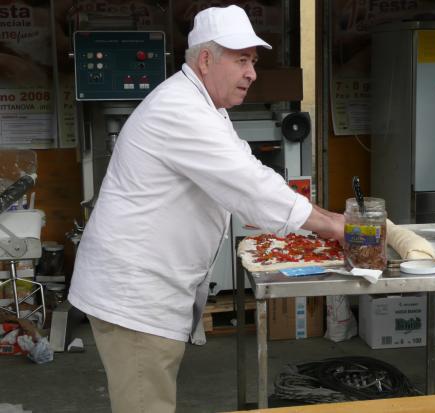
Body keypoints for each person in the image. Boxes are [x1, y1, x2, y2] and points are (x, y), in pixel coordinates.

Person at [68, 5, 344, 413]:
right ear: (205, 60)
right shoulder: (180, 109)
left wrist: (321, 218)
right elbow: (248, 185)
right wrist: (330, 226)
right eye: (242, 60)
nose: (252, 72)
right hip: (136, 298)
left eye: (254, 61)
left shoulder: (207, 109)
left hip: (152, 289)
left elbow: (249, 170)